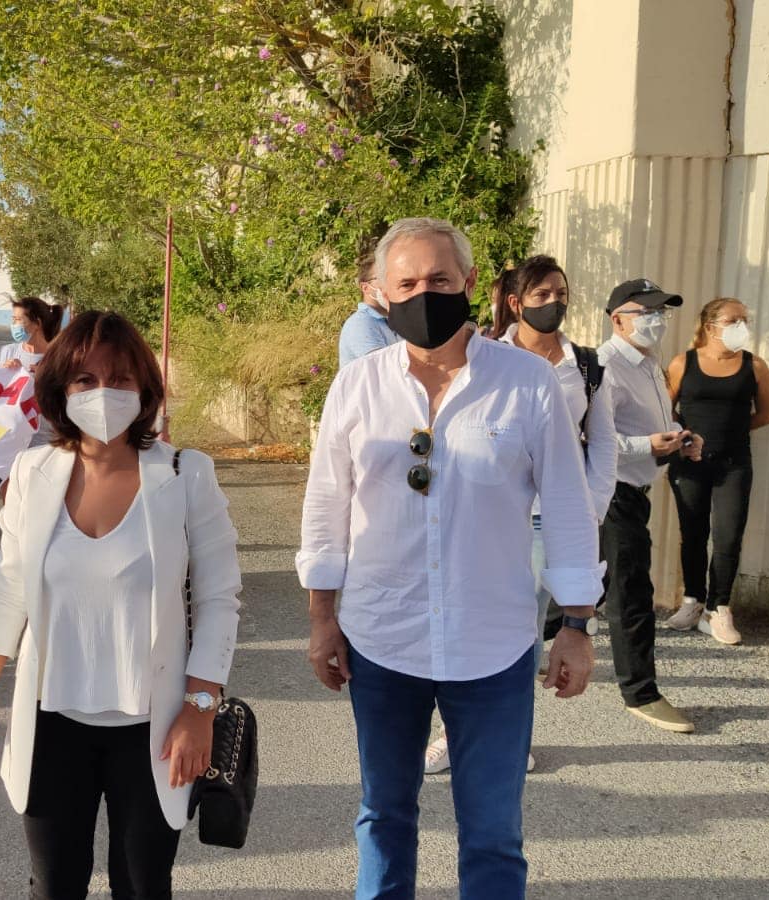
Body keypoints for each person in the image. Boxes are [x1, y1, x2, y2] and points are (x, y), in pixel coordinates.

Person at [299, 218, 600, 899]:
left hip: (491, 647)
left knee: (493, 834)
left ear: (469, 284)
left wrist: (577, 627)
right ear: (381, 291)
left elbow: (569, 509)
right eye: (406, 282)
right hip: (382, 642)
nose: (423, 293)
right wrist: (322, 617)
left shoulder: (527, 384)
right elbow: (326, 509)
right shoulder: (357, 386)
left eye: (438, 279)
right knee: (384, 818)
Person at [0, 311, 240, 899]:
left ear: (144, 388)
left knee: (141, 885)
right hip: (52, 721)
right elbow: (10, 586)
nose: (103, 393)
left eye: (118, 378)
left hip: (154, 726)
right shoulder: (34, 471)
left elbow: (220, 599)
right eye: (85, 380)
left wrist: (199, 709)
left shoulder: (187, 476)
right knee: (55, 884)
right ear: (61, 389)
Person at [423, 254, 617, 775]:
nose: (556, 301)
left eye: (561, 292)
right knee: (481, 619)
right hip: (499, 515)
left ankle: (510, 737)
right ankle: (453, 731)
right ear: (515, 302)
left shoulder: (589, 366)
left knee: (528, 633)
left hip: (556, 517)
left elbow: (603, 444)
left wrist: (588, 507)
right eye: (543, 294)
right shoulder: (485, 360)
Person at [599, 278, 703, 733]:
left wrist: (680, 437)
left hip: (635, 491)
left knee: (592, 579)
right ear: (617, 318)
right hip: (612, 492)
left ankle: (544, 645)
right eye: (646, 312)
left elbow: (656, 422)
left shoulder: (647, 363)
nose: (656, 321)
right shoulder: (605, 367)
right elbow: (597, 439)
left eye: (661, 312)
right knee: (631, 592)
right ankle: (641, 693)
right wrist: (648, 445)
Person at [664, 298, 769, 645]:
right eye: (733, 319)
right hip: (689, 464)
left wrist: (732, 432)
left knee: (728, 536)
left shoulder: (754, 366)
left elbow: (767, 414)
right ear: (711, 325)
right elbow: (664, 409)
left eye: (745, 319)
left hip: (734, 464)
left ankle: (720, 608)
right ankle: (693, 602)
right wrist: (686, 439)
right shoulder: (684, 362)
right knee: (693, 533)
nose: (741, 325)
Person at [336, 245, 401, 366]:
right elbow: (384, 369)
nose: (390, 284)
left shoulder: (396, 321)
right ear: (365, 287)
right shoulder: (361, 324)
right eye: (382, 278)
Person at [0, 296, 62, 372]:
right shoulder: (8, 351)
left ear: (38, 323)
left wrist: (26, 374)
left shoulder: (59, 357)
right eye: (13, 319)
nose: (13, 324)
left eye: (18, 319)